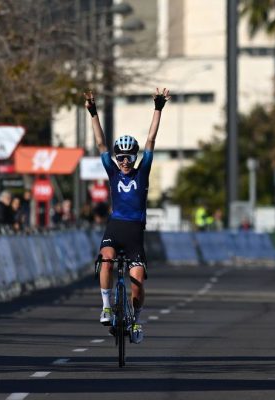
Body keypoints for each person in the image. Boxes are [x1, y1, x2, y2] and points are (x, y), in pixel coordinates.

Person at [85, 87, 170, 344]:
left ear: (134, 157)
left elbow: (151, 140)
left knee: (137, 282)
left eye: (128, 156)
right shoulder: (112, 172)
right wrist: (93, 113)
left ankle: (136, 319)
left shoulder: (142, 172)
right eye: (120, 156)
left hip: (134, 232)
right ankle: (106, 306)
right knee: (106, 260)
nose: (123, 160)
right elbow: (100, 143)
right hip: (115, 227)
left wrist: (158, 109)